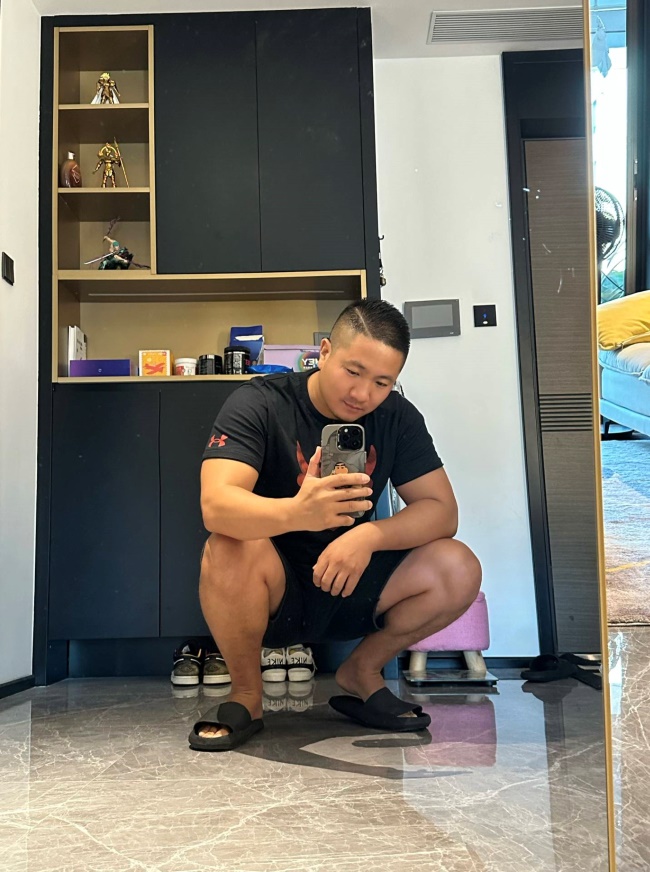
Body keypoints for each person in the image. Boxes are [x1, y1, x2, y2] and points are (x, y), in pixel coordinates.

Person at [189, 299, 482, 751]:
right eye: (353, 371)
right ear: (324, 352)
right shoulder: (260, 402)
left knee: (458, 566)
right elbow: (216, 505)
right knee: (228, 543)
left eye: (382, 382)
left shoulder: (397, 417)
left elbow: (443, 511)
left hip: (354, 578)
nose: (363, 394)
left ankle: (361, 671)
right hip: (272, 585)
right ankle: (246, 694)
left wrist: (368, 536)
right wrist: (298, 513)